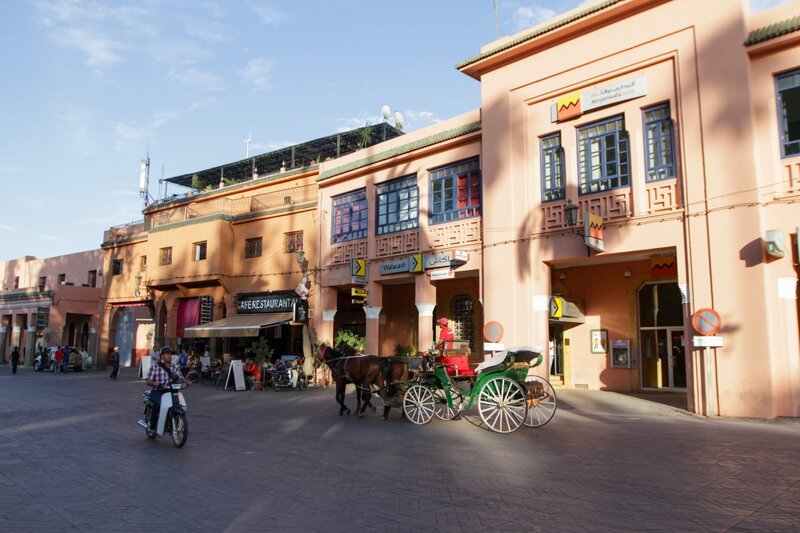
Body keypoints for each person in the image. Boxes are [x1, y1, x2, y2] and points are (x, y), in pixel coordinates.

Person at [145, 346, 189, 430]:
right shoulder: (155, 366)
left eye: (170, 354)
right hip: (158, 391)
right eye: (167, 354)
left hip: (172, 391)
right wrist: (154, 383)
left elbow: (181, 378)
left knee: (180, 405)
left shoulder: (175, 366)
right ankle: (152, 425)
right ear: (162, 356)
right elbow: (148, 381)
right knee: (158, 404)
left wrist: (186, 382)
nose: (169, 356)